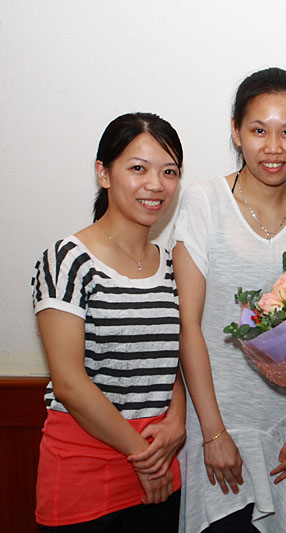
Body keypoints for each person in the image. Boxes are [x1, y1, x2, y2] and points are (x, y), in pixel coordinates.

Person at [171, 68, 286, 533]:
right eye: (259, 130)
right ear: (236, 131)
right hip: (218, 428)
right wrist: (213, 433)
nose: (273, 147)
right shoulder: (204, 202)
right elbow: (189, 326)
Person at [32, 112, 186, 532]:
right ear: (104, 173)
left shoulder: (171, 264)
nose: (156, 184)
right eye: (138, 168)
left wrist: (177, 420)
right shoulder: (67, 259)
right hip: (87, 466)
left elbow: (171, 358)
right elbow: (69, 382)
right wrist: (142, 457)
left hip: (160, 462)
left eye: (169, 171)